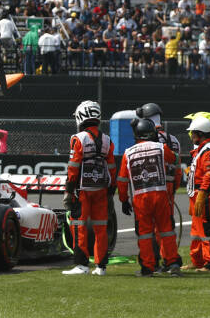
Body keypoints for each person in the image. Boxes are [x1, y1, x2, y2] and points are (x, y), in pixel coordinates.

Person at [117, 118, 182, 277]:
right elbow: (176, 160)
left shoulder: (128, 152)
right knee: (166, 231)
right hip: (160, 194)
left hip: (140, 197)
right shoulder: (161, 147)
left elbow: (122, 180)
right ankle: (173, 264)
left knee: (145, 234)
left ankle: (148, 268)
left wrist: (124, 200)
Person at [62, 100, 116, 276]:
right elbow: (112, 168)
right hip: (101, 189)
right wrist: (110, 191)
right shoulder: (107, 140)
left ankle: (81, 265)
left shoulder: (78, 138)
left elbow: (73, 166)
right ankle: (100, 267)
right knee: (101, 227)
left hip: (81, 190)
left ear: (81, 116)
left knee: (78, 226)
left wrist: (69, 190)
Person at [183, 113, 210, 272]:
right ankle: (197, 261)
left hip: (205, 196)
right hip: (198, 196)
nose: (191, 135)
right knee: (196, 232)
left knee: (208, 231)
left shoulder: (209, 150)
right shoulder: (202, 149)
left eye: (193, 133)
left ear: (199, 133)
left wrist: (202, 193)